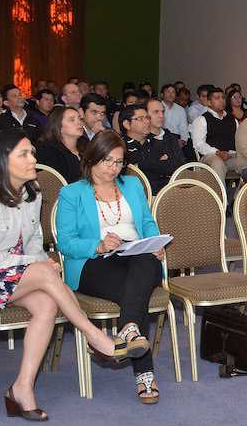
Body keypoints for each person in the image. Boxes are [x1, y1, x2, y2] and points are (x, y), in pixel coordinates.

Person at [0, 130, 130, 421]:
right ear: (2, 161)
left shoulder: (32, 192)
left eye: (32, 152)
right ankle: (93, 335)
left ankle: (22, 388)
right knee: (44, 273)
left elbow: (33, 243)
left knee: (47, 303)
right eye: (24, 154)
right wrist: (37, 265)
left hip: (16, 277)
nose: (33, 159)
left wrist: (42, 262)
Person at [56, 130, 165, 402]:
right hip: (94, 262)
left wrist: (154, 242)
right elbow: (66, 242)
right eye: (107, 160)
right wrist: (99, 245)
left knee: (145, 264)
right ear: (92, 158)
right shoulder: (71, 193)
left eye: (119, 162)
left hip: (136, 256)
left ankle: (129, 330)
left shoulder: (132, 185)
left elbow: (147, 222)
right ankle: (144, 371)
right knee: (136, 294)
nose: (113, 168)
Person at [189, 86, 238, 181]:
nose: (221, 100)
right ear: (209, 103)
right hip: (210, 156)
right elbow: (198, 144)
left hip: (230, 156)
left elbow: (239, 140)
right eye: (217, 98)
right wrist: (217, 152)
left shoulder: (232, 119)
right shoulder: (202, 120)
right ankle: (219, 191)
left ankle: (244, 190)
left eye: (223, 98)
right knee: (218, 163)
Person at [139, 97, 185, 192]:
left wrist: (157, 164)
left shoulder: (170, 137)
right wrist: (160, 164)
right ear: (145, 115)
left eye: (163, 112)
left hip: (174, 185)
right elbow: (143, 168)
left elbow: (179, 166)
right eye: (156, 112)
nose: (161, 115)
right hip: (151, 189)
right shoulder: (142, 138)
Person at [35, 105, 88, 183]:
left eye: (80, 119)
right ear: (59, 126)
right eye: (72, 120)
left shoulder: (87, 146)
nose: (79, 123)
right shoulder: (48, 151)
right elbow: (54, 183)